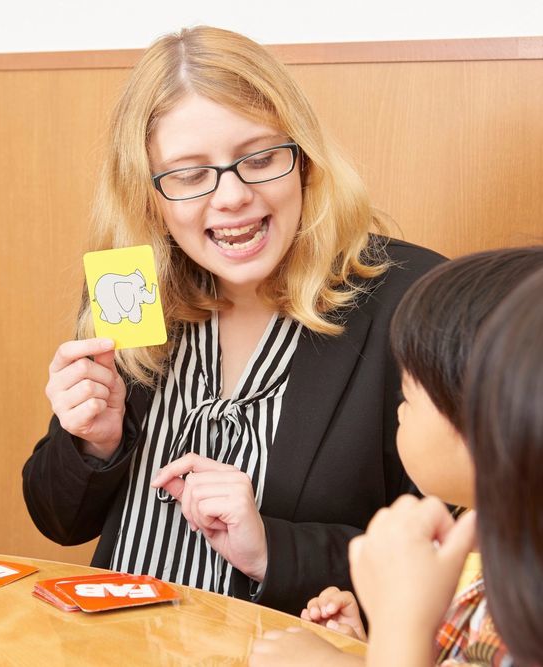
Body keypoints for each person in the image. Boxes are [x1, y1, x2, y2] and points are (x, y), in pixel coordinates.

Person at [22, 25, 445, 614]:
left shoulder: (413, 301)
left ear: (304, 161)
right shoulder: (132, 289)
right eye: (190, 174)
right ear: (150, 196)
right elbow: (59, 520)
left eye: (261, 157)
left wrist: (273, 548)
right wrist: (94, 443)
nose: (231, 197)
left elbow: (449, 556)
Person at [249, 247, 543, 666]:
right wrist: (382, 642)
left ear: (495, 423)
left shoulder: (524, 601)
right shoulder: (487, 553)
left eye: (409, 393)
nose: (399, 409)